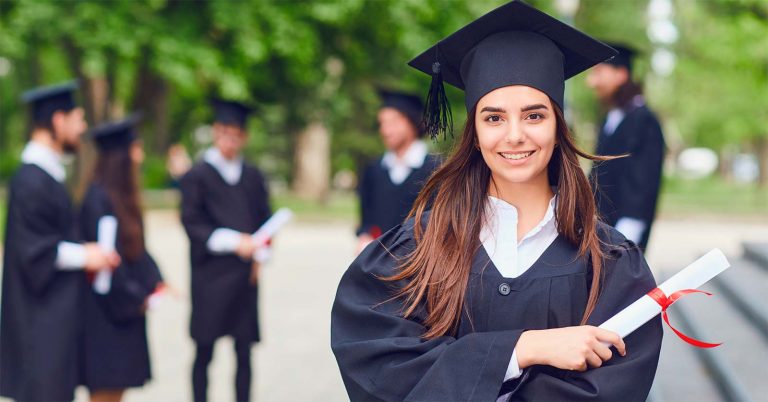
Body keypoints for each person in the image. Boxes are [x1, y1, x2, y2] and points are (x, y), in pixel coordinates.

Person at [331, 2, 663, 401]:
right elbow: (381, 366)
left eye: (534, 115)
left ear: (558, 126)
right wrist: (522, 349)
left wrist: (473, 368)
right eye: (494, 118)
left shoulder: (609, 261)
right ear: (474, 131)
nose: (514, 135)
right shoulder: (419, 247)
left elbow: (612, 388)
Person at [0, 81, 120, 401]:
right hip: (38, 328)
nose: (82, 128)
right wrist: (86, 256)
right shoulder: (31, 180)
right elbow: (33, 251)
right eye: (77, 119)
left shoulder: (47, 174)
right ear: (58, 120)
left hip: (52, 325)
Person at [179, 99, 272, 402]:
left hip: (244, 277)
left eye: (236, 133)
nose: (230, 139)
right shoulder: (198, 176)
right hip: (211, 275)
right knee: (204, 348)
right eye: (224, 132)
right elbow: (192, 224)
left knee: (243, 350)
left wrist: (260, 254)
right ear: (216, 132)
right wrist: (236, 242)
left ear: (243, 137)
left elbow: (265, 222)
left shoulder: (253, 176)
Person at [79, 115, 166, 402]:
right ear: (121, 157)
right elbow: (109, 263)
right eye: (135, 148)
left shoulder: (121, 199)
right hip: (106, 316)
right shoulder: (98, 199)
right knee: (106, 392)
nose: (140, 156)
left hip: (123, 313)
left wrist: (156, 281)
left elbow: (134, 251)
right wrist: (136, 297)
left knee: (118, 392)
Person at [587, 43, 666, 251]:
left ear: (620, 74)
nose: (591, 82)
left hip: (623, 232)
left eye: (598, 72)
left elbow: (644, 181)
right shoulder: (611, 118)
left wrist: (628, 232)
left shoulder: (643, 120)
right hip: (601, 229)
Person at [356, 90, 441, 252]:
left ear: (412, 122)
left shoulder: (437, 170)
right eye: (382, 123)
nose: (386, 131)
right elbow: (366, 219)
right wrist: (365, 236)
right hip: (379, 259)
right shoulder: (374, 170)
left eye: (393, 122)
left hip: (421, 261)